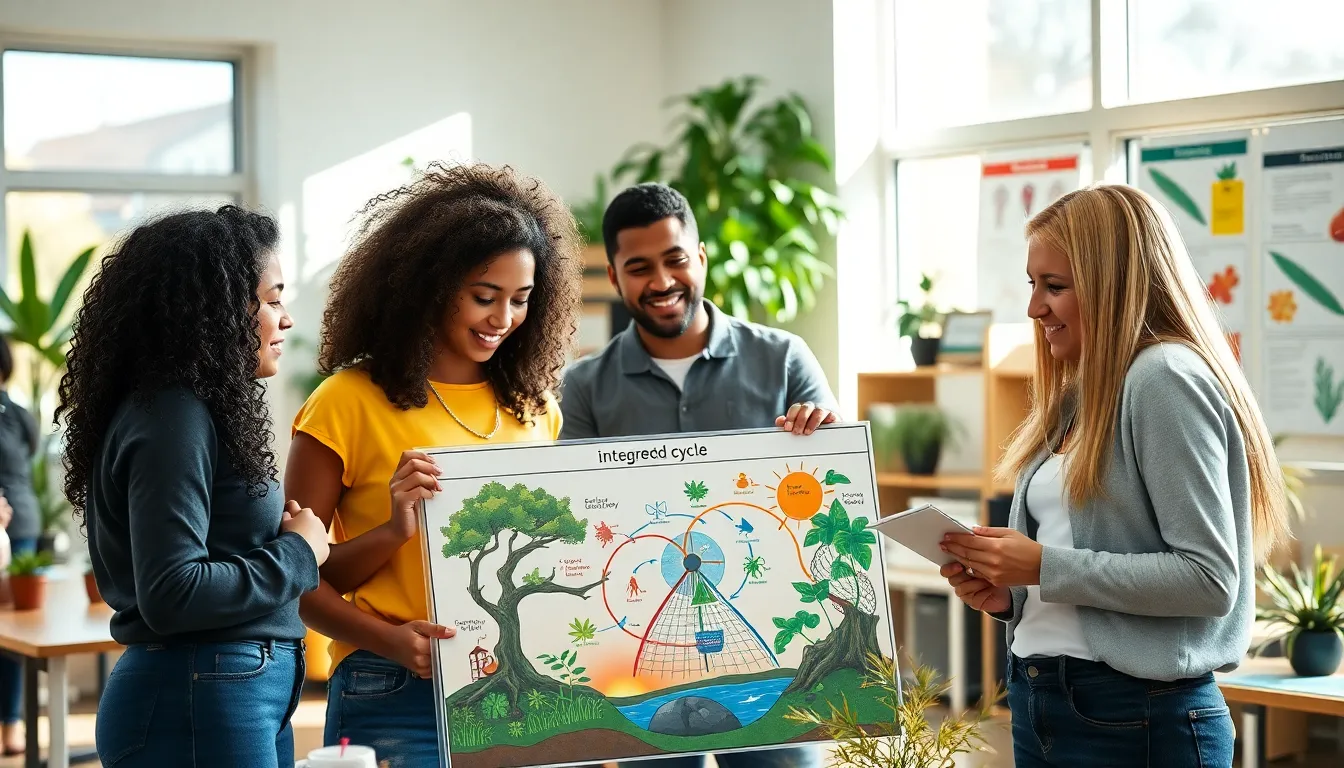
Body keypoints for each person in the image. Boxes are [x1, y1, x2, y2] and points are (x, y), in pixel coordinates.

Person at [937, 183, 1290, 767]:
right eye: (1032, 284)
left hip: (1136, 716)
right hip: (1041, 699)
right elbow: (1092, 562)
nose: (1034, 308)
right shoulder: (1086, 392)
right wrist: (1012, 594)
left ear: (1113, 286)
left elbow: (1208, 579)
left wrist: (1044, 566)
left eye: (1055, 287)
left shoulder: (1164, 379)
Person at [286, 161, 582, 767]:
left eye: (521, 300)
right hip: (392, 689)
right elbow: (294, 582)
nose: (502, 319)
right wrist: (392, 629)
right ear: (430, 287)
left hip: (522, 691)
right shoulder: (346, 401)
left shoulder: (536, 409)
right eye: (483, 297)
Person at [559, 182, 837, 768]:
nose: (661, 281)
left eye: (675, 259)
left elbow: (831, 497)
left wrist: (824, 446)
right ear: (614, 277)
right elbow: (575, 525)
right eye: (639, 267)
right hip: (643, 662)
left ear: (702, 258)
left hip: (777, 659)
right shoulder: (584, 388)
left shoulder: (785, 359)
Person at [55, 205, 331, 767]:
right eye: (272, 299)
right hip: (205, 690)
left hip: (227, 689)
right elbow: (173, 591)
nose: (286, 320)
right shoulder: (172, 416)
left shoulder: (186, 410)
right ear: (221, 308)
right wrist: (299, 550)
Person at [0, 336, 38, 755]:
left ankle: (10, 724)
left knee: (12, 632)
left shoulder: (17, 413)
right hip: (18, 519)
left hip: (17, 525)